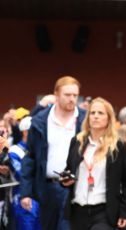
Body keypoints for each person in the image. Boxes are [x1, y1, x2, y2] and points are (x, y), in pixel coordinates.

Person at [20, 76, 86, 230]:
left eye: (75, 95)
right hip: (48, 186)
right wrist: (25, 193)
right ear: (56, 94)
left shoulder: (85, 120)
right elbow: (30, 158)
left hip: (76, 187)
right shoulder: (40, 121)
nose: (72, 99)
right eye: (67, 95)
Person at [61, 97, 126, 230]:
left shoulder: (118, 146)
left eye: (101, 113)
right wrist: (64, 179)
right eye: (93, 113)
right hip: (77, 211)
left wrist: (125, 211)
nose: (95, 116)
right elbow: (69, 170)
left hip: (104, 212)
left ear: (109, 118)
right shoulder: (77, 142)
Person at [8, 116, 41, 230]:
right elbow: (22, 174)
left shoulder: (40, 149)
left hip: (40, 197)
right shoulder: (14, 151)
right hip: (22, 198)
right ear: (26, 132)